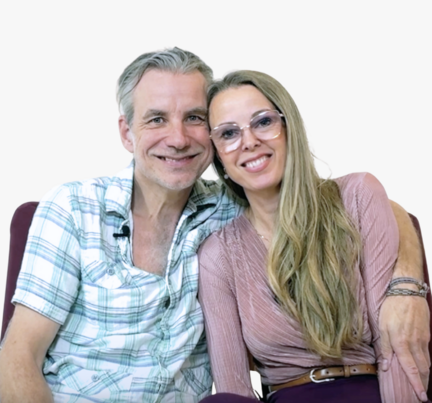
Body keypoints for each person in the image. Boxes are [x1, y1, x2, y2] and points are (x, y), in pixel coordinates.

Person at [0, 48, 428, 403]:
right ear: (127, 133)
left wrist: (407, 282)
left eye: (193, 118)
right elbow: (17, 358)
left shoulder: (230, 210)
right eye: (156, 119)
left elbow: (359, 205)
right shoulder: (74, 208)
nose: (178, 138)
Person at [198, 70, 430, 403]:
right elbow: (233, 386)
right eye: (229, 133)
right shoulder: (218, 254)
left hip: (368, 393)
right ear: (218, 154)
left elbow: (394, 348)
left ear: (288, 127)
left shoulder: (357, 196)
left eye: (263, 122)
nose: (249, 142)